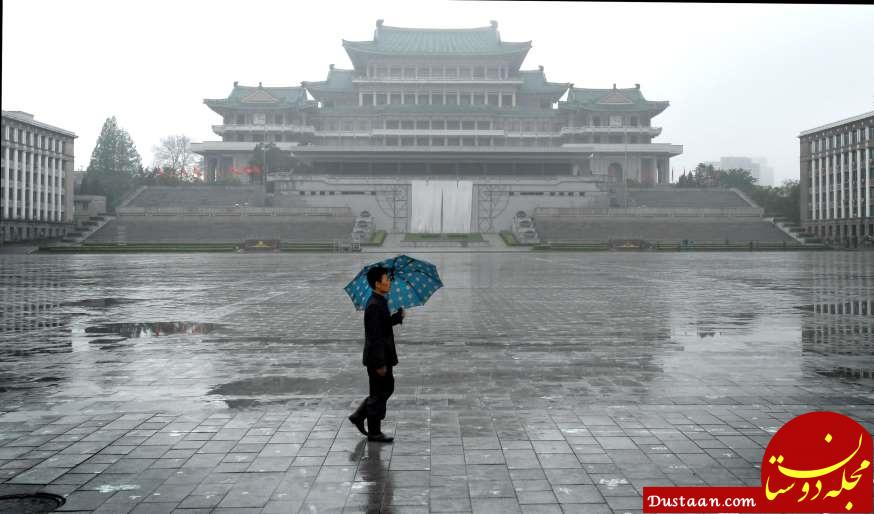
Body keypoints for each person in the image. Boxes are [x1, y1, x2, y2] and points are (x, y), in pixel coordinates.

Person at [348, 266, 404, 443]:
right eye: (386, 280)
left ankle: (360, 416)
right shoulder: (374, 305)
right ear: (377, 283)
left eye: (388, 280)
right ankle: (373, 431)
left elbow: (383, 325)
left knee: (382, 391)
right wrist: (380, 363)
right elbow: (375, 337)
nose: (389, 283)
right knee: (380, 392)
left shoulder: (379, 301)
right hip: (378, 358)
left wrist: (397, 318)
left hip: (382, 356)